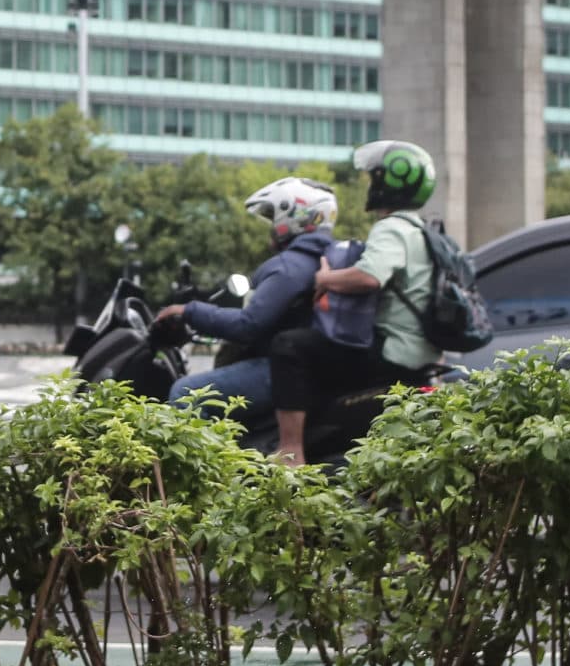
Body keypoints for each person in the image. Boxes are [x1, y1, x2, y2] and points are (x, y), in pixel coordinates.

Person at [268, 141, 443, 464]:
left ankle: (291, 449)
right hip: (423, 353)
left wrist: (325, 280)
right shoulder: (425, 231)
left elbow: (370, 277)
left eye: (374, 178)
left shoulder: (392, 228)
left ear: (388, 183)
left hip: (392, 353)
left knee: (288, 346)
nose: (370, 186)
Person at [158, 176, 338, 430]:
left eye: (273, 216)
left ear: (296, 216)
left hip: (282, 370)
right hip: (314, 368)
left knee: (186, 392)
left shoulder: (290, 267)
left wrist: (189, 311)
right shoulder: (326, 258)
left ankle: (199, 468)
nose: (272, 226)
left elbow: (248, 324)